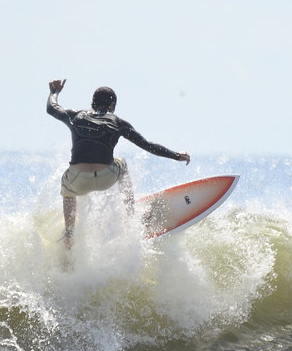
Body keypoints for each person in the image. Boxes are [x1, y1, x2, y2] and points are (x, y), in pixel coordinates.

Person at [46, 79, 190, 250]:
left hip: (78, 180)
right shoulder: (118, 123)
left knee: (66, 183)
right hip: (107, 177)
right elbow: (148, 145)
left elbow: (52, 108)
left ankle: (69, 233)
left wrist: (54, 92)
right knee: (122, 163)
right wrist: (176, 155)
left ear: (92, 103)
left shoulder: (75, 116)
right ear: (112, 104)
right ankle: (131, 215)